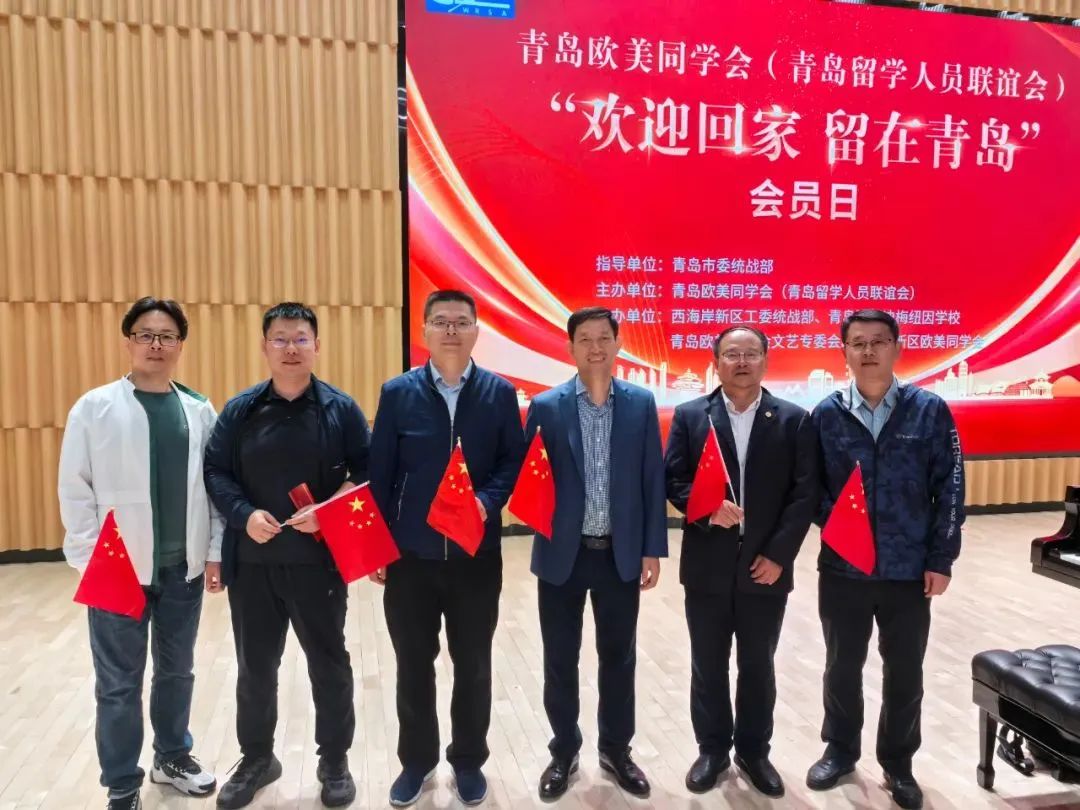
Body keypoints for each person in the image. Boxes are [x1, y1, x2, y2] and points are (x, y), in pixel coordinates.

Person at [204, 302, 370, 809]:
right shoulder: (241, 410)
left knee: (329, 664)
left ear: (317, 345)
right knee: (255, 667)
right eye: (280, 338)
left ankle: (334, 759)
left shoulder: (341, 409)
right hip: (253, 565)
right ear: (264, 346)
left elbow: (367, 472)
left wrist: (330, 510)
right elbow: (215, 471)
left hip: (319, 564)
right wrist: (243, 514)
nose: (291, 348)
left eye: (301, 339)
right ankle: (257, 757)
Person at [59, 296, 222, 810]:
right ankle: (122, 783)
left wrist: (214, 550)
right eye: (146, 335)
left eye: (167, 336)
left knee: (177, 671)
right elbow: (74, 489)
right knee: (117, 683)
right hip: (116, 568)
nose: (156, 344)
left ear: (180, 345)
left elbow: (213, 488)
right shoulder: (94, 408)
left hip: (182, 570)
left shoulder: (198, 410)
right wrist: (90, 561)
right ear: (128, 341)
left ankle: (171, 756)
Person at [367, 289, 526, 807]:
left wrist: (486, 500)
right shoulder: (398, 393)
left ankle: (468, 760)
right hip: (410, 558)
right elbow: (381, 473)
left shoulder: (499, 393)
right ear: (425, 332)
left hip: (475, 557)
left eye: (461, 322)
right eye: (441, 322)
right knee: (413, 664)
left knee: (473, 665)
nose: (451, 330)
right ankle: (416, 762)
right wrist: (378, 546)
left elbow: (512, 461)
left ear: (477, 331)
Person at [806, 309, 965, 810]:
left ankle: (898, 762)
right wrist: (837, 526)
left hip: (908, 569)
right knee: (841, 665)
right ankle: (839, 749)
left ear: (897, 347)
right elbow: (810, 488)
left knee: (905, 671)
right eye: (858, 343)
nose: (868, 351)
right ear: (845, 352)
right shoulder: (826, 414)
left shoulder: (929, 411)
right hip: (844, 568)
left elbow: (951, 489)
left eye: (878, 341)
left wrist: (941, 557)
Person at [665, 325, 816, 798]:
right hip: (707, 565)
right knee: (707, 664)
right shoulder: (692, 416)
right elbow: (674, 480)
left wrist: (778, 555)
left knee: (758, 665)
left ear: (766, 361)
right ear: (717, 364)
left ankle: (754, 752)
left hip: (765, 567)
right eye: (732, 354)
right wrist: (706, 509)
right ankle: (711, 750)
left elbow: (805, 493)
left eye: (752, 353)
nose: (743, 362)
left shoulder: (793, 419)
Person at [524, 306, 668, 801]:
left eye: (604, 337)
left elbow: (652, 478)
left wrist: (652, 548)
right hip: (562, 555)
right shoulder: (546, 406)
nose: (595, 347)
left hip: (619, 555)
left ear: (618, 344)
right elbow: (531, 477)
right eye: (584, 339)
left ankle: (616, 750)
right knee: (559, 659)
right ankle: (563, 751)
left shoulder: (640, 404)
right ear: (570, 348)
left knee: (619, 658)